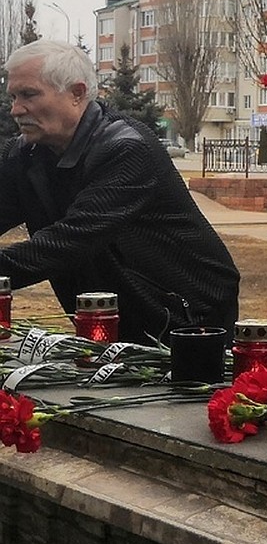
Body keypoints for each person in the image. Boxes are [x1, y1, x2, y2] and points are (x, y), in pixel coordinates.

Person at [0, 40, 240, 344]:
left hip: (186, 317)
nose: (16, 109)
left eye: (29, 95)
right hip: (108, 312)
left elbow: (69, 241)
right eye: (13, 96)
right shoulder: (24, 154)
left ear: (77, 93)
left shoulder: (126, 149)